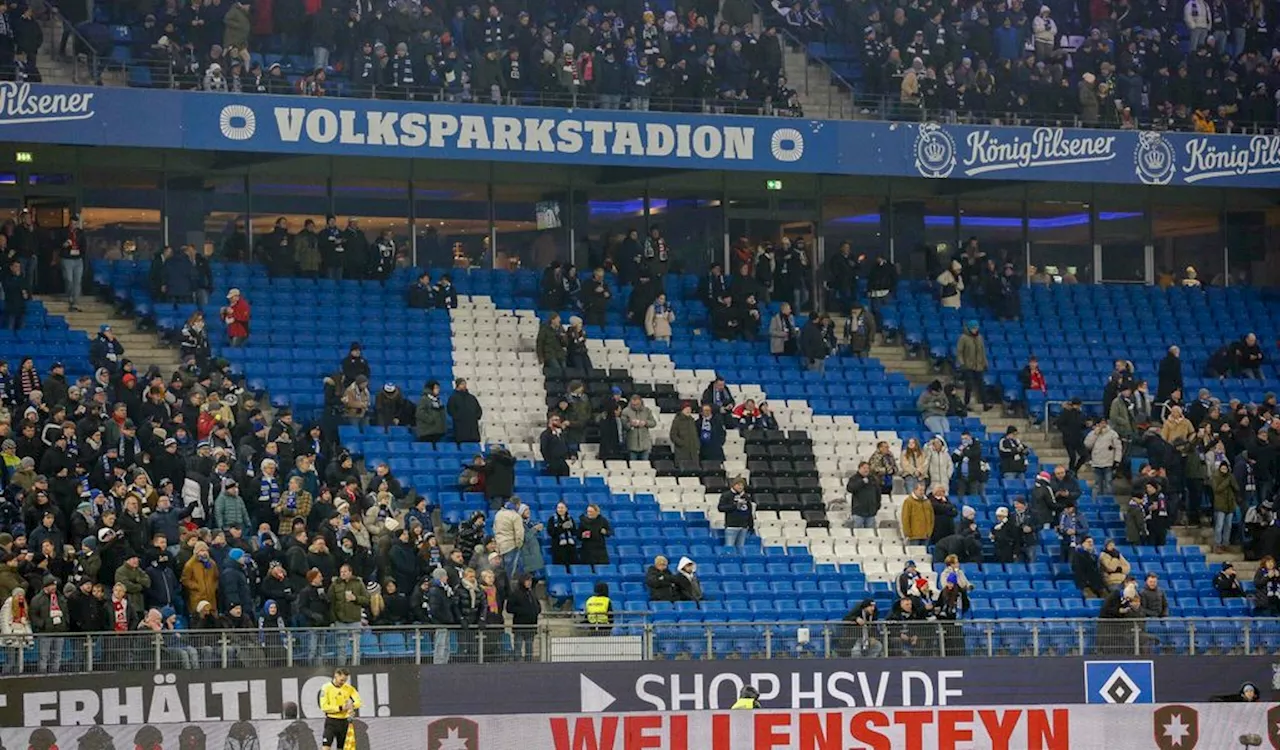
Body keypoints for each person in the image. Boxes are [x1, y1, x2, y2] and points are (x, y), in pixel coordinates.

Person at [319, 667, 362, 750]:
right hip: (331, 722)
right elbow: (324, 707)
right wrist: (341, 708)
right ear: (336, 675)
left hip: (344, 722)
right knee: (326, 747)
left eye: (345, 680)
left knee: (341, 748)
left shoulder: (349, 688)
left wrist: (352, 706)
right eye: (341, 680)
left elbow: (359, 702)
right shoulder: (326, 688)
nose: (343, 682)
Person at [955, 320, 989, 410]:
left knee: (981, 385)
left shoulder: (980, 337)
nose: (975, 330)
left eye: (976, 327)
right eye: (973, 328)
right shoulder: (963, 338)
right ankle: (966, 403)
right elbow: (959, 352)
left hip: (978, 366)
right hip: (967, 365)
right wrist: (962, 363)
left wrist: (985, 363)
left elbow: (982, 352)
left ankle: (985, 404)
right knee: (969, 385)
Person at [1084, 418, 1123, 494]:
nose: (1103, 425)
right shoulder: (1092, 433)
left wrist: (1117, 460)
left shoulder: (1113, 434)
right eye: (1101, 423)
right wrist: (1095, 434)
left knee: (1108, 483)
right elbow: (1087, 445)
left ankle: (1109, 501)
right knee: (1097, 484)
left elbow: (1118, 448)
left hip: (1108, 463)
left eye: (1104, 423)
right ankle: (1097, 502)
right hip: (1096, 463)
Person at [1211, 459, 1240, 552]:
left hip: (1230, 505)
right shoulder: (1216, 477)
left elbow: (1237, 488)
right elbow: (1217, 489)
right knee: (1219, 526)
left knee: (1228, 525)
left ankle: (1225, 543)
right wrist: (1227, 481)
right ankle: (1217, 544)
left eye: (1225, 469)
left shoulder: (1230, 477)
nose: (1224, 470)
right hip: (1220, 505)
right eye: (1222, 468)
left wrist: (1231, 480)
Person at [447, 378, 483, 444]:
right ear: (457, 385)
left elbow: (478, 409)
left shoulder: (472, 397)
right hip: (461, 429)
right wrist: (459, 417)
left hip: (473, 429)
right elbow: (450, 410)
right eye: (462, 384)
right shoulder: (453, 398)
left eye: (465, 384)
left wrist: (476, 416)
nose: (464, 385)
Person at [620, 394, 656, 461]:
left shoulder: (647, 411)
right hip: (632, 444)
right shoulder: (625, 411)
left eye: (637, 404)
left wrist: (645, 423)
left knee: (644, 466)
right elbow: (623, 426)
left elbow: (653, 423)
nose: (635, 406)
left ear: (641, 402)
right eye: (633, 405)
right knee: (634, 466)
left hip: (644, 444)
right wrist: (630, 424)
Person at [846, 461, 880, 529]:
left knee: (870, 534)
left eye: (867, 468)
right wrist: (862, 482)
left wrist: (877, 506)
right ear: (859, 469)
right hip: (858, 512)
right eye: (864, 468)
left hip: (871, 512)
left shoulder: (872, 479)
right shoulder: (854, 478)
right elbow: (850, 488)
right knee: (858, 532)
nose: (866, 470)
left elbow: (878, 493)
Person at [577, 504, 611, 568]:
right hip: (587, 550)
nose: (589, 513)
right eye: (588, 512)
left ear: (597, 512)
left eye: (591, 512)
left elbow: (609, 532)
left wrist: (605, 532)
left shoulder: (603, 520)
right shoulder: (583, 521)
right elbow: (578, 536)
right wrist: (582, 535)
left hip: (600, 550)